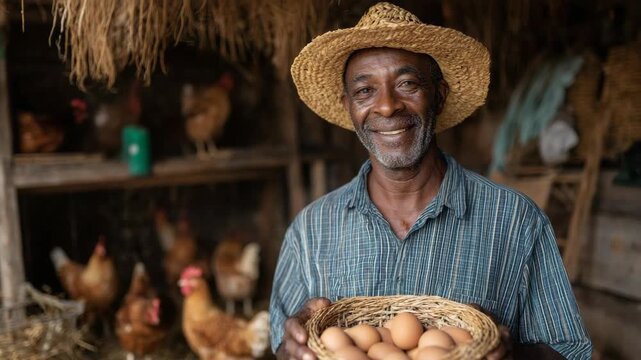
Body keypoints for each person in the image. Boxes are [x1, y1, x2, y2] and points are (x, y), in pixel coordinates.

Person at [270, 2, 592, 359]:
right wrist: (292, 349)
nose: (388, 106)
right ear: (348, 106)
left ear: (438, 95)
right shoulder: (310, 230)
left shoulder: (515, 221)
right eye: (365, 91)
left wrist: (510, 352)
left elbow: (570, 351)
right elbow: (281, 347)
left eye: (407, 83)